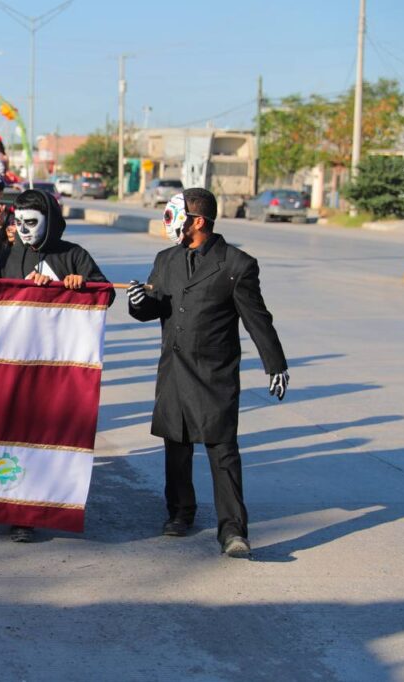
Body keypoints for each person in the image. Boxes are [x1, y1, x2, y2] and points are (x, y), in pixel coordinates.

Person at [126, 188, 289, 559]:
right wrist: (139, 304)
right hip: (174, 370)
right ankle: (180, 512)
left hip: (214, 373)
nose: (169, 223)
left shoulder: (236, 265)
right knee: (176, 445)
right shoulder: (165, 259)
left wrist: (275, 364)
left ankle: (233, 530)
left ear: (197, 221)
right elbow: (154, 308)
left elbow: (257, 319)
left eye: (175, 215)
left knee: (222, 450)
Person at [0, 188, 109, 542]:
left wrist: (78, 285)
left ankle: (44, 505)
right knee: (13, 438)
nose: (24, 230)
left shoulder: (74, 255)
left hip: (57, 367)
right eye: (18, 223)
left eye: (31, 223)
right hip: (13, 363)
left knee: (48, 438)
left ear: (50, 222)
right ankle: (17, 512)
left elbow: (106, 294)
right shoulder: (7, 254)